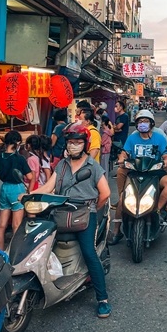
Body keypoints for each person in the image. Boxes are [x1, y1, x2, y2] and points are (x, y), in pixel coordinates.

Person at [34, 125, 111, 318]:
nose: (74, 145)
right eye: (71, 142)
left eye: (78, 142)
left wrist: (93, 209)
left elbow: (105, 193)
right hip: (61, 212)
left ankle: (103, 299)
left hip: (85, 214)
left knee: (89, 252)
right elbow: (48, 186)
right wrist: (28, 195)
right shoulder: (62, 165)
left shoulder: (93, 166)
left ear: (84, 144)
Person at [115, 110, 167, 233]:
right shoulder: (132, 138)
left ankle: (158, 210)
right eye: (140, 121)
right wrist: (121, 159)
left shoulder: (159, 137)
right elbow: (124, 152)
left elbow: (166, 154)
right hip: (135, 171)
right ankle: (116, 231)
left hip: (154, 172)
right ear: (136, 124)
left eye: (146, 121)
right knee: (123, 199)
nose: (143, 124)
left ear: (151, 124)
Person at [0, 131, 33, 251]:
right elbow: (29, 177)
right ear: (17, 143)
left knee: (1, 225)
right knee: (16, 225)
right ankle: (15, 252)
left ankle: (1, 252)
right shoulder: (20, 158)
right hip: (17, 189)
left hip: (4, 189)